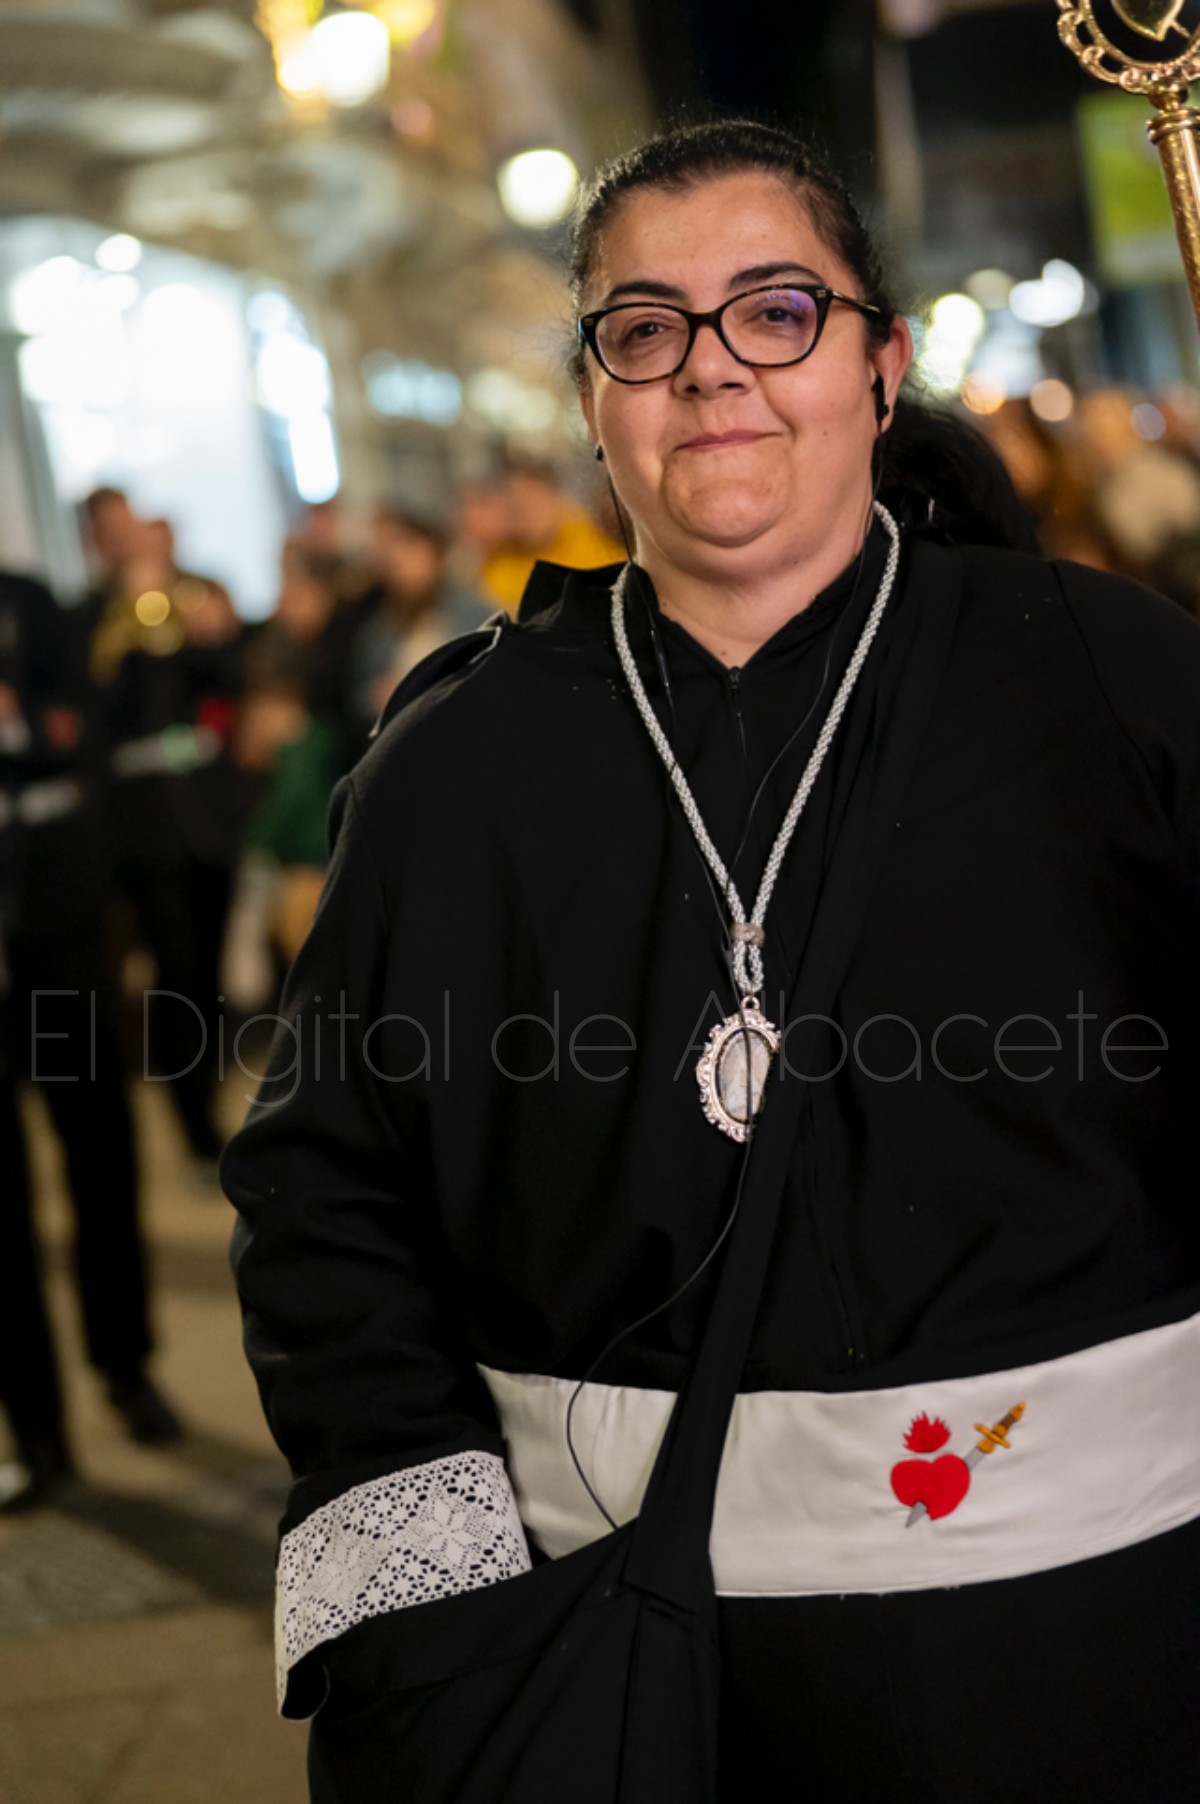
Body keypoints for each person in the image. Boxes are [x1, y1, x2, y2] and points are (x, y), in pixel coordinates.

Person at [224, 119, 1200, 1801]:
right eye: (646, 327)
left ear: (880, 365)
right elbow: (327, 1194)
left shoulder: (1108, 680)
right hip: (623, 1670)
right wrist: (446, 1620)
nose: (711, 369)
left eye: (777, 311)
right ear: (594, 398)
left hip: (1111, 1633)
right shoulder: (454, 769)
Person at [0, 568, 180, 1510]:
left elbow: (85, 741)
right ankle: (35, 1431)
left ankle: (127, 1367)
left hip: (57, 942)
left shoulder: (30, 605)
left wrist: (22, 725)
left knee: (100, 1161)